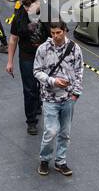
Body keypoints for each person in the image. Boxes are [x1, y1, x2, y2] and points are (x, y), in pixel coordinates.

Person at [33, 20, 82, 176]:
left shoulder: (74, 49)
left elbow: (79, 70)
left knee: (65, 132)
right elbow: (37, 71)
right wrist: (53, 81)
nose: (55, 36)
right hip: (50, 98)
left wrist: (76, 93)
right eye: (53, 33)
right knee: (51, 131)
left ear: (65, 31)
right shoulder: (43, 49)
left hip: (68, 98)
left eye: (58, 33)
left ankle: (60, 162)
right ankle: (44, 159)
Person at [5, 0, 47, 136]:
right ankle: (31, 121)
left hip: (45, 56)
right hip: (27, 56)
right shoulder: (19, 18)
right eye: (26, 6)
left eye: (31, 6)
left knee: (44, 84)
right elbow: (13, 39)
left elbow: (59, 35)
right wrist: (10, 62)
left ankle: (39, 103)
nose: (28, 9)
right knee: (29, 88)